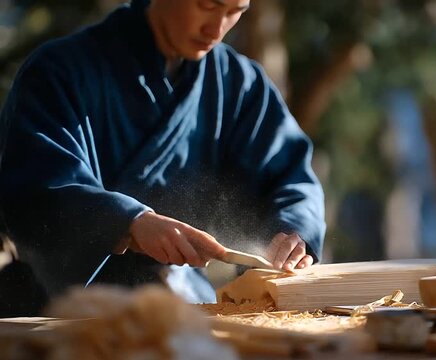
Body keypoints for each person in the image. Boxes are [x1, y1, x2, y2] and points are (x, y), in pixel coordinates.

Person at [0, 0, 325, 305]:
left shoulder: (239, 86)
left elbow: (291, 180)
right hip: (61, 310)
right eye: (207, 5)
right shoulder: (59, 71)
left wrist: (291, 234)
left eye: (235, 10)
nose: (217, 28)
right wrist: (129, 223)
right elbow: (34, 188)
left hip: (185, 307)